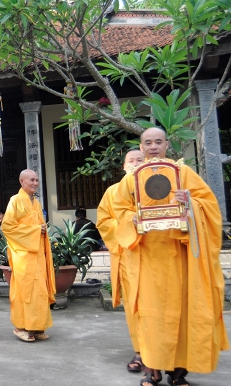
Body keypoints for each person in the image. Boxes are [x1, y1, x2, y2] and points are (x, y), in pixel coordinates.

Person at [111, 127, 229, 386]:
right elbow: (118, 209)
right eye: (148, 143)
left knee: (181, 315)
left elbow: (208, 206)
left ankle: (177, 370)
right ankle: (151, 368)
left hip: (179, 258)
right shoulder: (131, 179)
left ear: (167, 145)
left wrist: (189, 202)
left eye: (158, 142)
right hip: (146, 257)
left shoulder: (183, 172)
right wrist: (130, 218)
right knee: (151, 317)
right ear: (141, 147)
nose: (153, 147)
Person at [96, 150, 145, 372]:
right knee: (135, 304)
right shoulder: (112, 192)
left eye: (139, 160)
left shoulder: (158, 187)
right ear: (124, 167)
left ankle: (165, 353)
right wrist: (128, 222)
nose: (135, 164)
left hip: (157, 256)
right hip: (128, 257)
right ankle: (140, 352)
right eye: (130, 161)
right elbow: (103, 222)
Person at [1, 169, 56, 342]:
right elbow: (7, 227)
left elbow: (40, 227)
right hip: (23, 255)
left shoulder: (36, 203)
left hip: (38, 254)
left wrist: (41, 230)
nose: (35, 183)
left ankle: (37, 327)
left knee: (39, 291)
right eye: (31, 180)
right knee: (25, 291)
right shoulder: (15, 200)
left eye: (37, 180)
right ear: (21, 181)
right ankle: (21, 327)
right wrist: (35, 230)